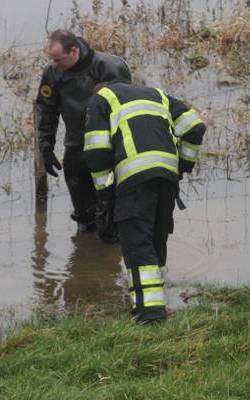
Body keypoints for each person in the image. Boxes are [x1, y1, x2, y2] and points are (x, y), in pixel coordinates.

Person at [82, 80, 206, 323]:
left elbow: (96, 151)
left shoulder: (101, 99)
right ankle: (157, 298)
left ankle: (150, 315)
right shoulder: (157, 94)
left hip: (134, 177)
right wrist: (183, 165)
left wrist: (104, 194)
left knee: (137, 244)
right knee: (156, 238)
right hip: (167, 176)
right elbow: (195, 127)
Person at [36, 29, 132, 233]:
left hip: (109, 147)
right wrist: (46, 148)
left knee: (110, 211)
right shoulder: (52, 73)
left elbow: (128, 110)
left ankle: (108, 255)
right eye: (52, 59)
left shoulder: (109, 67)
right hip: (76, 145)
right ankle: (85, 251)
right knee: (83, 213)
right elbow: (47, 111)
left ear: (74, 51)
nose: (55, 64)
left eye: (59, 59)